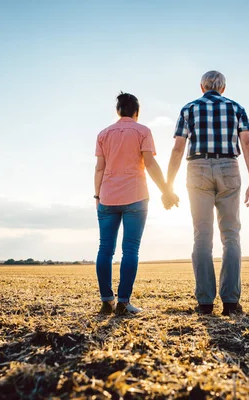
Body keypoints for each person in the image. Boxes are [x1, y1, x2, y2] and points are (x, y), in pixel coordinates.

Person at [164, 70, 249, 316]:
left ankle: (205, 302)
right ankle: (230, 302)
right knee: (231, 235)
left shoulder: (189, 109)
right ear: (223, 89)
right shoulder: (236, 108)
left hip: (197, 169)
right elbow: (246, 143)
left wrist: (168, 184)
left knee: (202, 236)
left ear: (201, 86)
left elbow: (177, 149)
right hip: (229, 167)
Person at [94, 92, 178, 315]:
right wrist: (167, 191)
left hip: (108, 197)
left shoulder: (103, 134)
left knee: (105, 249)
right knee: (130, 249)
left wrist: (97, 196)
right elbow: (150, 164)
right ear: (136, 112)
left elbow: (99, 168)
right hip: (136, 197)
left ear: (118, 111)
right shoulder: (143, 131)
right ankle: (123, 302)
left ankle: (106, 301)